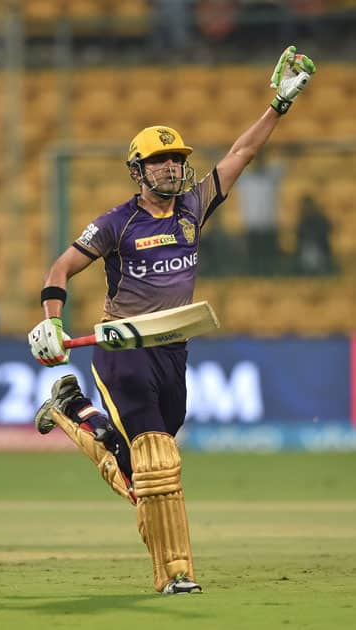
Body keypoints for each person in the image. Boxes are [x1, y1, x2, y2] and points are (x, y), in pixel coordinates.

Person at [28, 46, 315, 595]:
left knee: (143, 475)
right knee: (159, 464)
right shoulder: (117, 222)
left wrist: (279, 103)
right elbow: (62, 266)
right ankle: (176, 575)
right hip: (123, 354)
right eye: (159, 160)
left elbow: (243, 153)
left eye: (177, 158)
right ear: (137, 170)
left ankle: (71, 410)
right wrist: (51, 321)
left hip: (173, 351)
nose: (171, 166)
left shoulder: (193, 207)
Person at [236, 148, 283, 275]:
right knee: (253, 266)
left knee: (270, 266)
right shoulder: (246, 179)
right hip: (252, 229)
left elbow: (284, 164)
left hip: (269, 228)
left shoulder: (271, 177)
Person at [294, 194, 335, 275]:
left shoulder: (320, 218)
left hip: (321, 250)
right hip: (306, 251)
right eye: (304, 206)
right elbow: (299, 237)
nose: (306, 208)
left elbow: (328, 229)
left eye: (308, 206)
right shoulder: (302, 221)